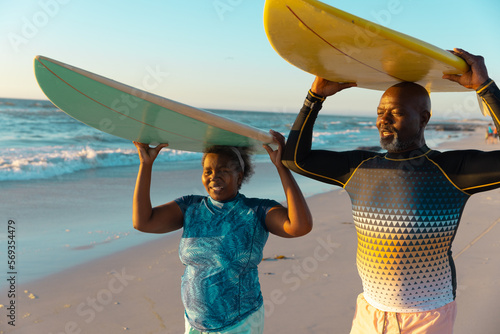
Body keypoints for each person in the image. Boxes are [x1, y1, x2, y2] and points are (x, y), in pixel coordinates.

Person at [282, 48, 500, 333]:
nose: (383, 121)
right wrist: (315, 97)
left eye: (395, 113)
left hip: (427, 316)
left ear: (423, 119)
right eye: (380, 112)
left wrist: (486, 88)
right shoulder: (359, 168)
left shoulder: (451, 170)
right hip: (370, 313)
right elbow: (295, 158)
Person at [133, 130, 313, 334]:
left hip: (240, 322)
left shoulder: (256, 210)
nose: (214, 177)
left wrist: (282, 168)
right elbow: (143, 222)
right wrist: (146, 165)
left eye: (223, 170)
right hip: (194, 323)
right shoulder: (190, 207)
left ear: (240, 176)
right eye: (207, 171)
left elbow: (300, 226)